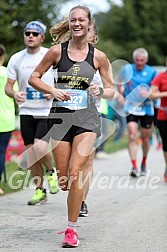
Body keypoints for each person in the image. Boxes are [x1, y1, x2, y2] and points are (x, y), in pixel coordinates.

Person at [29, 6, 114, 248]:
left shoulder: (99, 56)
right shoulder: (57, 51)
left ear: (89, 24)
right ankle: (72, 196)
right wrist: (52, 90)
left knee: (76, 173)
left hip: (87, 119)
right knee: (65, 179)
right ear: (70, 24)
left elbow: (112, 89)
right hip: (59, 118)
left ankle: (71, 229)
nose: (77, 23)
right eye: (73, 20)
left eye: (81, 20)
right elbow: (34, 77)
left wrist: (101, 90)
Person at [5, 20, 59, 205]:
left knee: (40, 148)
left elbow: (62, 80)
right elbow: (8, 86)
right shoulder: (16, 58)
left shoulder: (50, 55)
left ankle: (51, 172)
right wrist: (14, 93)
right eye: (27, 33)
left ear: (42, 37)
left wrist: (51, 91)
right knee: (31, 154)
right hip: (26, 110)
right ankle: (39, 190)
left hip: (46, 110)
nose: (30, 36)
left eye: (35, 34)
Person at [118, 48, 156, 177]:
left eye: (142, 60)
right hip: (131, 107)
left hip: (146, 108)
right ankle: (134, 166)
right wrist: (120, 95)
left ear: (146, 60)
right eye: (137, 60)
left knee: (145, 138)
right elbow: (119, 80)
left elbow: (156, 90)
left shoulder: (152, 72)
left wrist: (149, 93)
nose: (139, 63)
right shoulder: (127, 69)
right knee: (132, 135)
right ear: (134, 60)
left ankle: (144, 162)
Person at [0, 44, 17, 195]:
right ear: (3, 57)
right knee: (1, 152)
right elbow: (16, 94)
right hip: (5, 119)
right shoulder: (7, 74)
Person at [151, 57, 167, 182]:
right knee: (166, 145)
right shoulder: (161, 77)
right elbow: (152, 95)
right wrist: (165, 93)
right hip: (164, 116)